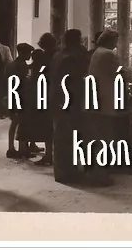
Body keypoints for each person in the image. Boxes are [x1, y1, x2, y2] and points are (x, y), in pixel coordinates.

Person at [83, 30, 124, 186]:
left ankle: (94, 172)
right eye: (115, 41)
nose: (116, 44)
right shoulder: (108, 54)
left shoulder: (97, 52)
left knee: (96, 137)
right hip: (105, 98)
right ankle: (100, 174)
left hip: (94, 98)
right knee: (104, 138)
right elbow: (119, 72)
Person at [50, 29, 89, 184]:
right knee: (66, 137)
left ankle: (64, 171)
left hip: (60, 99)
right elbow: (77, 78)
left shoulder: (58, 55)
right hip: (67, 100)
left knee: (62, 136)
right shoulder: (70, 58)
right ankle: (66, 172)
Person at [20, 33, 58, 166]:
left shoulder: (44, 57)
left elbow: (38, 76)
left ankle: (48, 155)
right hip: (56, 93)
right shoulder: (57, 55)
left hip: (44, 94)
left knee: (47, 126)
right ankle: (53, 154)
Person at [5, 43, 34, 159]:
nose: (30, 55)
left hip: (12, 96)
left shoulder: (11, 65)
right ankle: (21, 149)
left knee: (15, 123)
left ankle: (12, 148)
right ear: (22, 53)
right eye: (28, 53)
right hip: (20, 97)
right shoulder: (21, 66)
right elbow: (25, 83)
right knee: (21, 123)